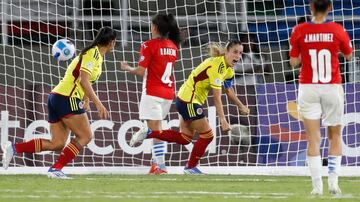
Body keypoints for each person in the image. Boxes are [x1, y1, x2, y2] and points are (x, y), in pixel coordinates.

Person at [1, 27, 117, 179]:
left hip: (57, 96)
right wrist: (98, 103)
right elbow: (84, 80)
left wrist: (87, 99)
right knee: (86, 136)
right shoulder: (92, 54)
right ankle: (56, 168)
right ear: (111, 43)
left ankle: (14, 148)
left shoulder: (96, 55)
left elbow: (85, 79)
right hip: (67, 97)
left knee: (57, 143)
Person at [130, 40, 250, 174]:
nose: (238, 56)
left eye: (240, 53)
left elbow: (228, 90)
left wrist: (241, 106)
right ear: (227, 52)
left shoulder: (228, 70)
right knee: (208, 135)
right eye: (235, 52)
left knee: (185, 138)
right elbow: (217, 98)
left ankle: (149, 133)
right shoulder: (217, 66)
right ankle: (190, 167)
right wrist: (223, 120)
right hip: (189, 100)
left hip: (184, 98)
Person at [289, 0, 352, 195]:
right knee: (335, 135)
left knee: (313, 139)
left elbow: (293, 62)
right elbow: (349, 56)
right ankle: (333, 184)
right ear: (330, 8)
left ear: (311, 7)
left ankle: (317, 188)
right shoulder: (337, 29)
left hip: (308, 87)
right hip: (332, 87)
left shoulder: (299, 30)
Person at [120, 13, 182, 175]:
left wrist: (127, 68)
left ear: (154, 27)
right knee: (157, 129)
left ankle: (160, 166)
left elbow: (141, 71)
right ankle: (156, 163)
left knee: (157, 131)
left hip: (153, 93)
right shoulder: (173, 47)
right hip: (168, 93)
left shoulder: (148, 45)